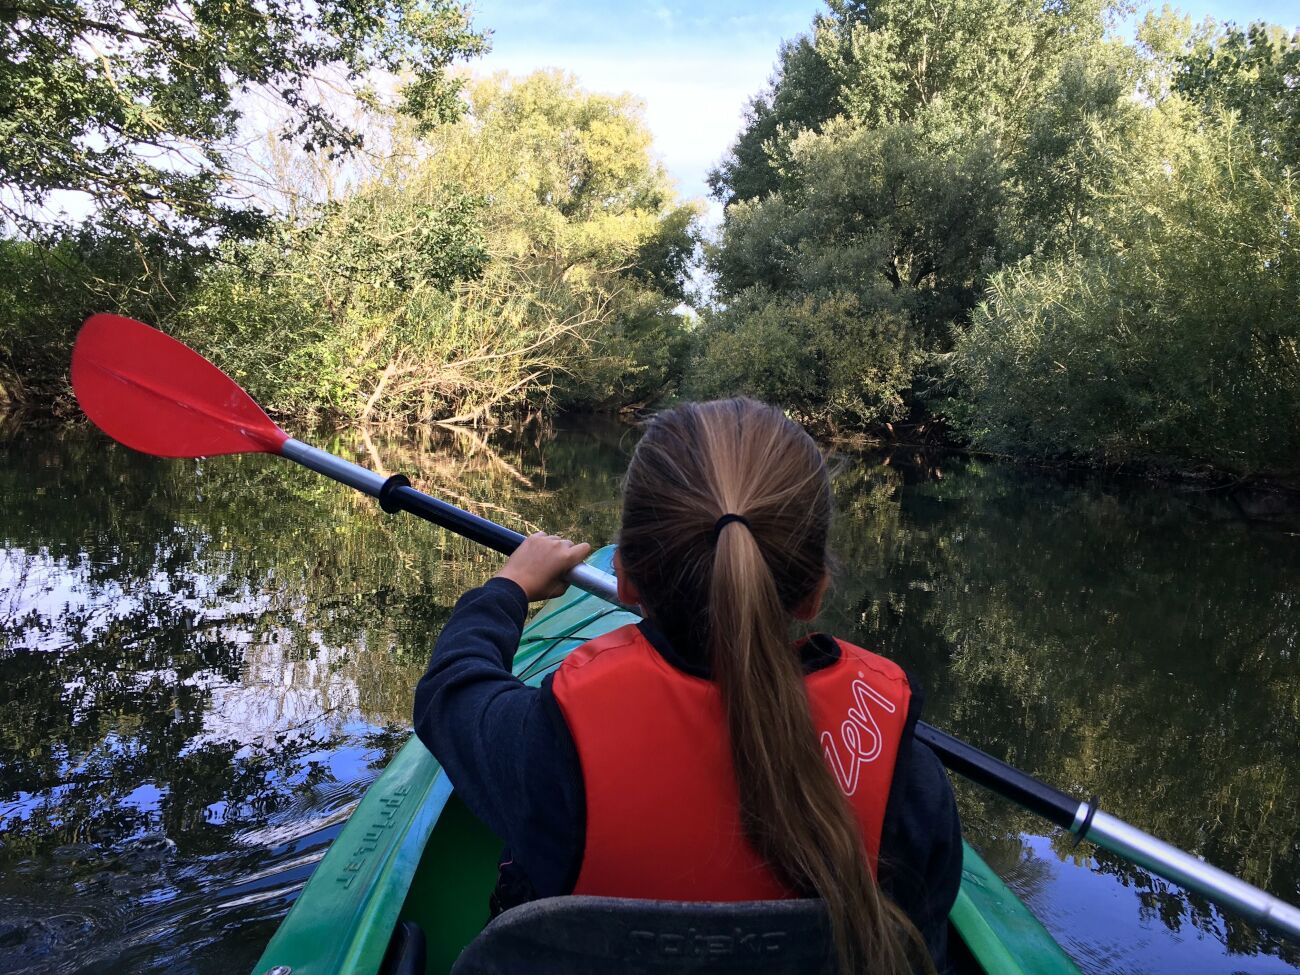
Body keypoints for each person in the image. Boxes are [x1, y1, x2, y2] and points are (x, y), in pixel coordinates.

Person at [413, 398, 962, 974]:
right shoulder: (910, 783)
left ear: (623, 578)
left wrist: (510, 585)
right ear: (815, 592)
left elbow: (451, 689)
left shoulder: (549, 748)